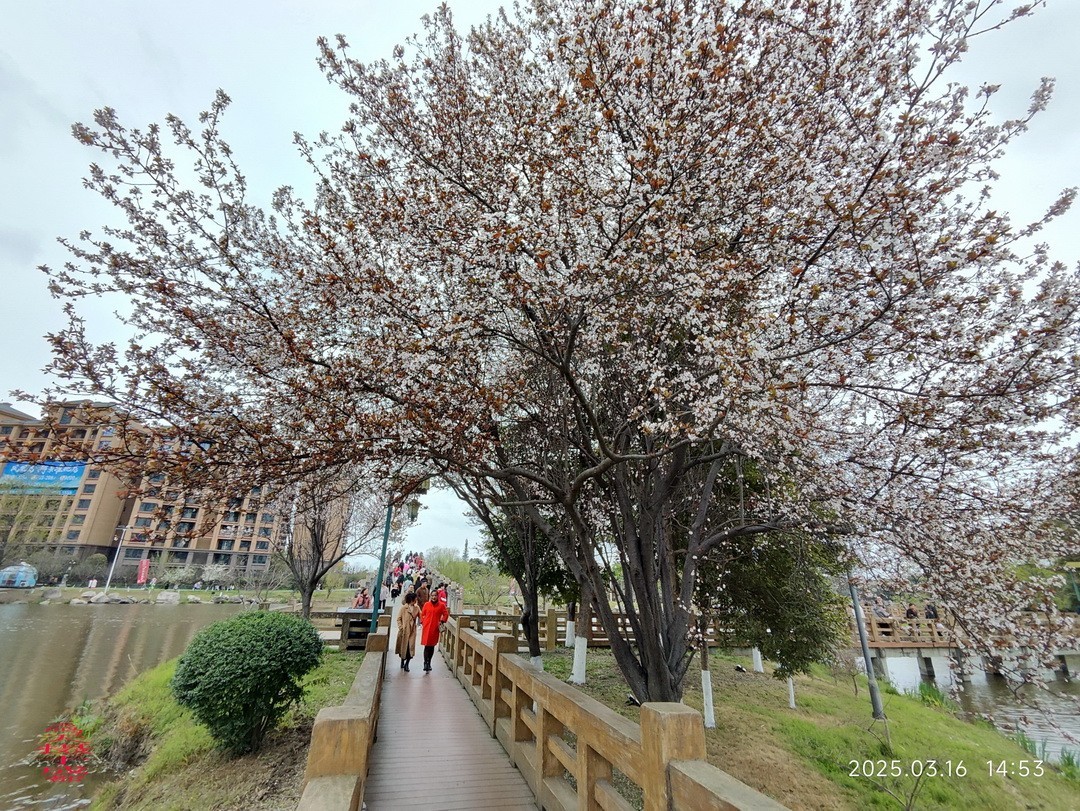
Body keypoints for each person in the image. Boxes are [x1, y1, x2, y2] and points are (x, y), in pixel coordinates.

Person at [419, 589, 449, 672]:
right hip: (427, 627)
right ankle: (425, 663)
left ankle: (429, 662)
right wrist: (423, 622)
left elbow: (446, 614)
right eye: (432, 595)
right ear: (430, 596)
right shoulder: (426, 604)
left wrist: (442, 621)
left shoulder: (441, 605)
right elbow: (422, 614)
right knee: (426, 645)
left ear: (437, 596)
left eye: (435, 595)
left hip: (435, 628)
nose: (433, 597)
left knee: (431, 646)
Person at [396, 592, 420, 671]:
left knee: (410, 648)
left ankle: (407, 664)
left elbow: (422, 616)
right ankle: (402, 661)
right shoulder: (404, 608)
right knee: (404, 648)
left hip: (412, 630)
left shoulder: (417, 608)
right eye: (415, 599)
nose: (416, 600)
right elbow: (398, 618)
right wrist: (401, 627)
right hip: (404, 631)